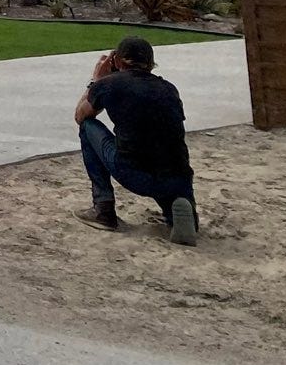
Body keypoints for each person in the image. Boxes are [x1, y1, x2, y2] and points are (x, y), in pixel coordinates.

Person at [74, 36, 198, 245]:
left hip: (134, 171)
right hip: (178, 175)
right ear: (151, 64)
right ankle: (179, 212)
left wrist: (96, 81)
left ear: (118, 62)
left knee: (87, 128)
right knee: (167, 165)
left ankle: (103, 209)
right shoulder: (168, 89)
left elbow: (80, 115)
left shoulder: (110, 84)